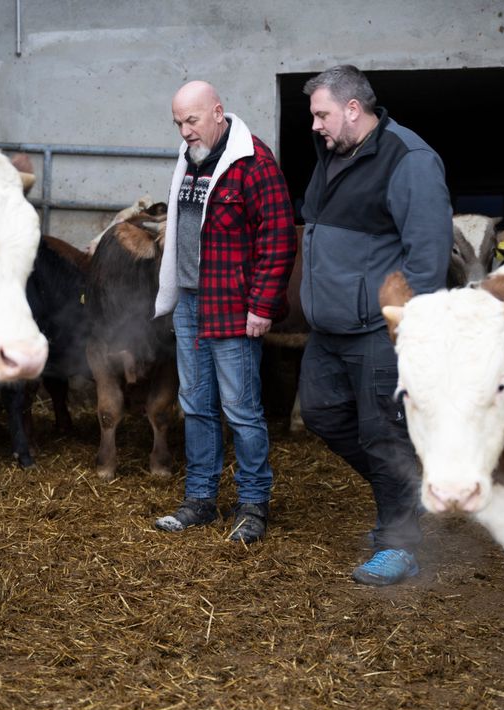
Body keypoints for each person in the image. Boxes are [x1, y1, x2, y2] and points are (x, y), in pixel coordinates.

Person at [298, 65, 452, 585]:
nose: (314, 125)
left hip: (378, 328)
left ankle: (400, 543)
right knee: (320, 413)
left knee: (383, 434)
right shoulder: (333, 154)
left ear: (352, 109)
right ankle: (409, 499)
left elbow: (427, 257)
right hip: (329, 327)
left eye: (321, 114)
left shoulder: (409, 159)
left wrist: (408, 330)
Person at [153, 80, 298, 544]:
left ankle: (253, 504)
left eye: (191, 121)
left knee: (241, 409)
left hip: (232, 307)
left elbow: (279, 239)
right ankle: (200, 500)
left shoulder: (254, 162)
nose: (184, 131)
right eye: (178, 123)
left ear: (217, 112)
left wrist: (261, 306)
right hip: (191, 301)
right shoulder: (188, 158)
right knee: (195, 405)